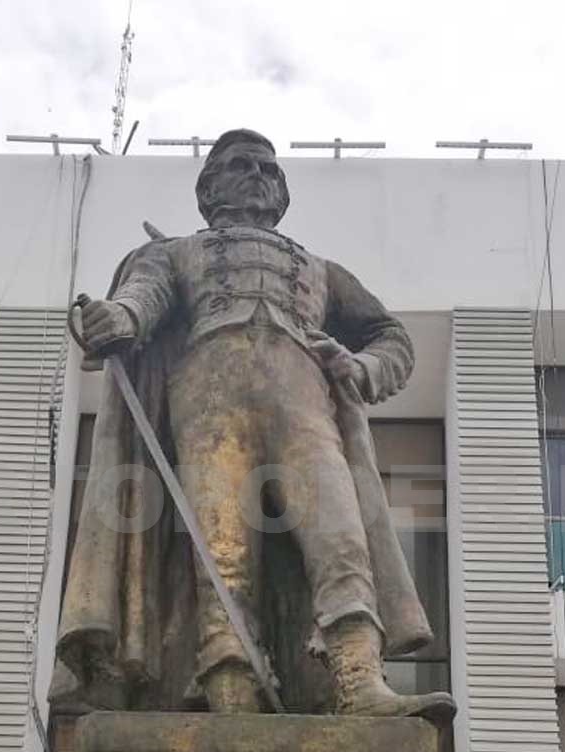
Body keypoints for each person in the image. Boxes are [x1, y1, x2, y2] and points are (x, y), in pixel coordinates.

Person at [54, 128, 453, 722]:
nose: (258, 177)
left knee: (341, 540)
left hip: (305, 405)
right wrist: (116, 317)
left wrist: (362, 367)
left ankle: (360, 682)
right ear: (208, 189)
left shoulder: (321, 270)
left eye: (269, 170)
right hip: (207, 403)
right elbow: (141, 300)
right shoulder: (175, 254)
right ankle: (231, 694)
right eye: (242, 166)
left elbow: (390, 336)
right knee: (223, 555)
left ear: (283, 194)